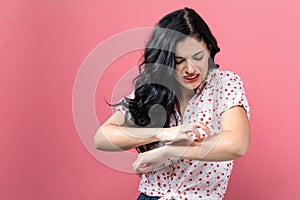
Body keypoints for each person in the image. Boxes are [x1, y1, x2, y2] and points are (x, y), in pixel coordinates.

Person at [94, 7, 250, 200]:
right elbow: (101, 138)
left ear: (209, 49)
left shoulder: (224, 84)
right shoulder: (154, 90)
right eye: (178, 60)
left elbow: (237, 144)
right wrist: (164, 133)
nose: (190, 68)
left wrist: (167, 151)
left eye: (198, 57)